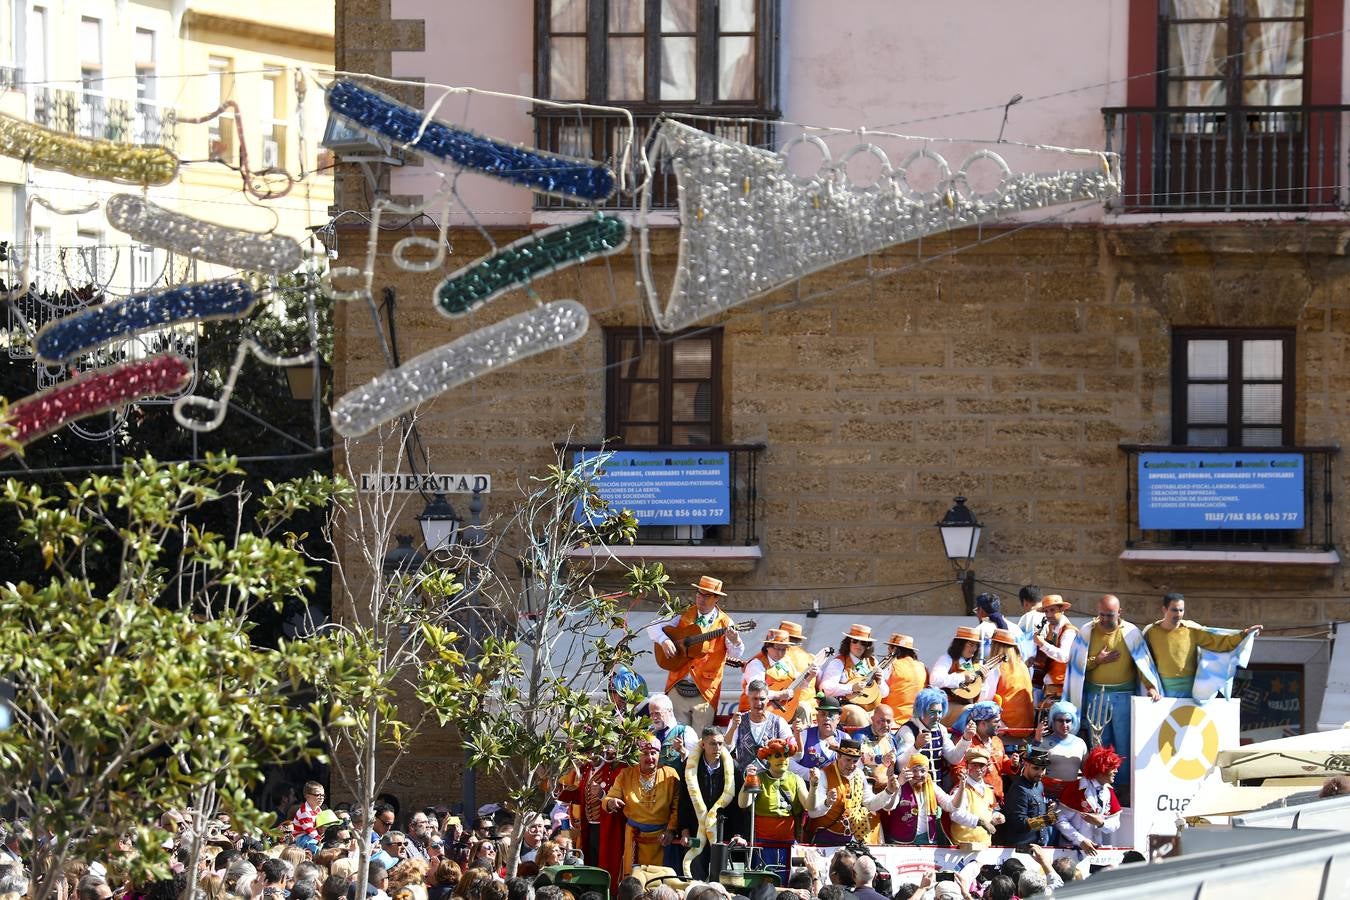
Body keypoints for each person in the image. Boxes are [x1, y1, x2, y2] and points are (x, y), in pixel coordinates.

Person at [1065, 594, 1163, 802]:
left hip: (1123, 697)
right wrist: (1097, 660)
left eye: (1109, 615)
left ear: (1120, 613)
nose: (1104, 619)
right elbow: (1076, 664)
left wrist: (1151, 687)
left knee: (1123, 744)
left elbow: (1142, 664)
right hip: (1095, 697)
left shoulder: (1132, 633)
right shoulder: (1087, 632)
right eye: (1101, 614)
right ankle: (1100, 789)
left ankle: (1124, 790)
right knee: (1099, 744)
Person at [649, 576, 744, 731]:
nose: (701, 599)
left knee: (700, 741)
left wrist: (736, 641)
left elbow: (736, 653)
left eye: (706, 595)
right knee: (675, 736)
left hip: (705, 690)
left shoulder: (726, 623)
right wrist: (664, 640)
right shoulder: (683, 613)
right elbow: (652, 626)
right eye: (699, 594)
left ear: (716, 598)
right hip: (677, 683)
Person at [1142, 592, 1262, 699]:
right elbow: (1142, 662)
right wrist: (1150, 687)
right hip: (1162, 691)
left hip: (1191, 692)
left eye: (1181, 610)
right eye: (1174, 610)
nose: (1178, 614)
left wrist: (1245, 634)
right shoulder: (1150, 632)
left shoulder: (1192, 629)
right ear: (1164, 609)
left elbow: (1220, 641)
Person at [603, 736, 681, 879]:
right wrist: (611, 802)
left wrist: (671, 829)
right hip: (634, 837)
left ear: (659, 754)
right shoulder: (626, 774)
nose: (650, 757)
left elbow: (677, 806)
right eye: (645, 753)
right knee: (634, 882)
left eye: (653, 753)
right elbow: (609, 798)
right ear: (638, 755)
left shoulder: (670, 774)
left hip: (662, 839)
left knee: (660, 882)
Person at [804, 738, 899, 845]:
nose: (851, 765)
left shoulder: (859, 774)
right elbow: (812, 813)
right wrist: (827, 803)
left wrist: (888, 792)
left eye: (855, 761)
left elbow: (870, 804)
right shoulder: (824, 775)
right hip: (825, 836)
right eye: (848, 760)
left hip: (851, 838)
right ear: (838, 756)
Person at [737, 739, 807, 876]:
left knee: (788, 880)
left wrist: (815, 787)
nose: (782, 759)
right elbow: (743, 804)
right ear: (768, 758)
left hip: (789, 844)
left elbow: (810, 807)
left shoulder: (796, 779)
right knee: (765, 882)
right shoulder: (759, 778)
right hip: (763, 845)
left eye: (785, 755)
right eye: (777, 756)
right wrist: (748, 781)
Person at [677, 727, 736, 880]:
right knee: (696, 877)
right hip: (695, 831)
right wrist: (683, 830)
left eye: (720, 744)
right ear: (703, 744)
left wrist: (738, 834)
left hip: (722, 832)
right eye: (713, 744)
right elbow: (683, 800)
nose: (718, 748)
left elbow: (737, 806)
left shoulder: (732, 767)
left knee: (720, 880)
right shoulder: (690, 766)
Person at [894, 687, 972, 787]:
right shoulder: (907, 730)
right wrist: (916, 747)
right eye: (932, 712)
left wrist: (966, 738)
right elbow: (900, 766)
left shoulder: (941, 729)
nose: (937, 716)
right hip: (912, 793)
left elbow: (954, 758)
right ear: (921, 711)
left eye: (939, 712)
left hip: (936, 790)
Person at [739, 629, 819, 721]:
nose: (780, 653)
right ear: (768, 647)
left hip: (782, 710)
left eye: (784, 649)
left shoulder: (786, 661)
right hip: (756, 711)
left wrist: (809, 678)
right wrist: (778, 695)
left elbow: (796, 683)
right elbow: (752, 690)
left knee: (804, 709)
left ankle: (801, 735)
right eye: (778, 649)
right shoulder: (757, 664)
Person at [1056, 745, 1123, 854]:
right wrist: (1080, 840)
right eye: (1113, 767)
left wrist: (1101, 823)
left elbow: (1115, 824)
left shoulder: (1109, 791)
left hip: (1097, 851)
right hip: (1072, 850)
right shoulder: (1076, 788)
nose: (1116, 771)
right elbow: (1059, 819)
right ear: (1101, 768)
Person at [882, 755, 951, 846]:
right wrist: (898, 786)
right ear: (908, 770)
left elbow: (950, 806)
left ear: (927, 772)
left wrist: (962, 786)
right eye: (914, 770)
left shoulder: (932, 786)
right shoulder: (901, 784)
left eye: (922, 771)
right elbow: (888, 807)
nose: (918, 774)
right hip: (903, 842)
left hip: (928, 841)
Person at [819, 624, 891, 710]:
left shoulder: (872, 662)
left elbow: (884, 693)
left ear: (868, 646)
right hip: (844, 708)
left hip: (870, 708)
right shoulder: (838, 662)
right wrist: (851, 688)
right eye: (855, 641)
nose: (858, 645)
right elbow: (825, 688)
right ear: (848, 642)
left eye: (863, 643)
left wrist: (879, 683)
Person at [945, 747, 1004, 851]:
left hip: (985, 844)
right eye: (974, 765)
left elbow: (991, 810)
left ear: (987, 767)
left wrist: (997, 816)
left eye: (982, 765)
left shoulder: (989, 789)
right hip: (962, 847)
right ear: (967, 766)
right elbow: (955, 814)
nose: (978, 769)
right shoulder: (960, 789)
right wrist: (980, 822)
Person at [996, 747, 1056, 847]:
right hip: (1021, 847)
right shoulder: (1019, 789)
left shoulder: (1039, 784)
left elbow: (1034, 810)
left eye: (1043, 769)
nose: (1040, 773)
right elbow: (1019, 824)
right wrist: (1045, 820)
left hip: (1038, 844)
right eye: (1036, 768)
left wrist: (1047, 808)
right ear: (1026, 764)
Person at [981, 629, 1036, 740]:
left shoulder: (996, 668)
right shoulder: (1023, 666)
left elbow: (985, 698)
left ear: (995, 646)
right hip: (1027, 724)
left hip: (1006, 727)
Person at [948, 701, 1008, 801]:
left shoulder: (997, 741)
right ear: (983, 723)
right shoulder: (965, 742)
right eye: (996, 721)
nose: (1000, 725)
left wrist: (1012, 764)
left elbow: (1003, 764)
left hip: (996, 800)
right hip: (974, 800)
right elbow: (957, 771)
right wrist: (979, 770)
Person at [727, 680, 792, 770]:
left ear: (767, 699)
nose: (758, 703)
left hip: (772, 780)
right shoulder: (738, 720)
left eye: (762, 699)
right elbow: (726, 749)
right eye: (755, 699)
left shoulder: (779, 722)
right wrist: (733, 728)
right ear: (748, 699)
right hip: (744, 780)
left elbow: (793, 752)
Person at [928, 626, 983, 724]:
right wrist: (962, 678)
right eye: (970, 644)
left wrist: (984, 680)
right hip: (945, 705)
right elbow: (935, 680)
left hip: (966, 706)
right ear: (960, 644)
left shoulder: (976, 665)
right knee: (972, 711)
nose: (974, 648)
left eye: (976, 645)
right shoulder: (947, 659)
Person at [1032, 595, 1077, 706]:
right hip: (1050, 689)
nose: (1049, 615)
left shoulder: (1068, 631)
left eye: (1052, 610)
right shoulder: (1052, 630)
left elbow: (1063, 656)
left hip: (1061, 690)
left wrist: (1042, 643)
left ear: (1062, 610)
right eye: (1046, 611)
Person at [1039, 700, 1087, 800]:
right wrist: (1036, 741)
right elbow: (1034, 770)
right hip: (1049, 795)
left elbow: (1087, 772)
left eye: (1068, 720)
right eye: (1060, 720)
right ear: (1053, 721)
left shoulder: (1080, 743)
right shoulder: (1044, 742)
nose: (1064, 724)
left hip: (1072, 794)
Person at [777, 620, 821, 721]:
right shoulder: (811, 658)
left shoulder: (775, 656)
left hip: (786, 708)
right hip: (811, 710)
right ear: (799, 640)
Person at [791, 696, 841, 779]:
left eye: (831, 715)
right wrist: (808, 774)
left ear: (838, 719)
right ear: (817, 717)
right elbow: (790, 762)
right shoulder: (805, 734)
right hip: (807, 788)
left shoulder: (845, 738)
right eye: (823, 714)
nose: (826, 718)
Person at [883, 633, 927, 722]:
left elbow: (878, 692)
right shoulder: (922, 667)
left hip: (892, 721)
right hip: (917, 721)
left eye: (889, 648)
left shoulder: (890, 666)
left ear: (894, 649)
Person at [647, 695, 698, 770]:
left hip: (677, 780)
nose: (654, 717)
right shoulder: (650, 734)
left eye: (658, 713)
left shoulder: (685, 731)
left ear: (670, 711)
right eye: (651, 714)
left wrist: (682, 751)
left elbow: (696, 763)